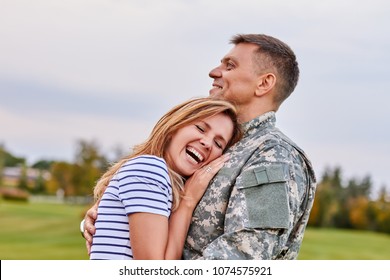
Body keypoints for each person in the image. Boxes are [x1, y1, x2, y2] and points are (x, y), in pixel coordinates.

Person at [83, 33, 317, 259]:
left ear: (264, 83)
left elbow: (245, 256)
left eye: (230, 66)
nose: (214, 72)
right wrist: (110, 217)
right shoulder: (220, 146)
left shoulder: (273, 156)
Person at [89, 97, 242, 259]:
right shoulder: (151, 169)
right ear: (173, 127)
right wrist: (187, 203)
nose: (207, 143)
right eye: (200, 128)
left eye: (218, 144)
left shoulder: (159, 179)